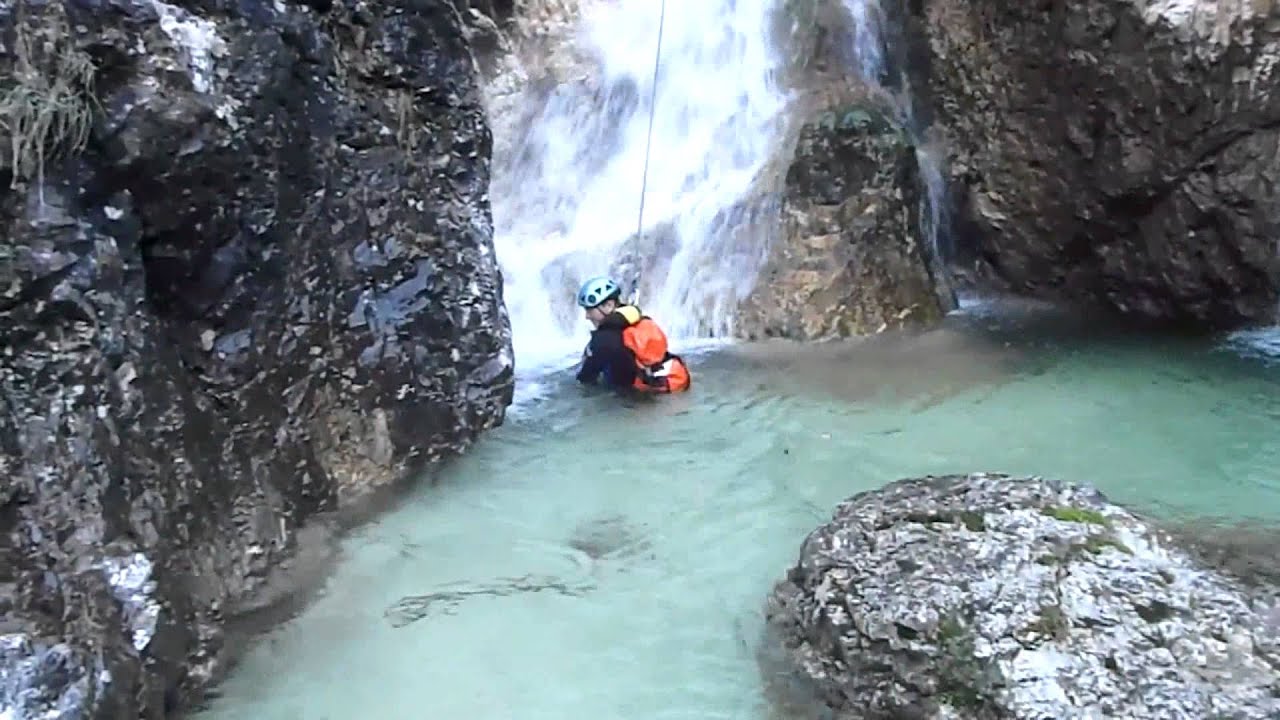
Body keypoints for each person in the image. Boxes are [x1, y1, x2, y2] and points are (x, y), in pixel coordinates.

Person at [573, 275, 691, 393]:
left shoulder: (602, 341)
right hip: (674, 381)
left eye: (589, 310)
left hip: (643, 400)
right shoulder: (638, 319)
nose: (587, 316)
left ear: (608, 305)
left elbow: (585, 379)